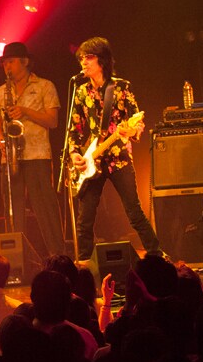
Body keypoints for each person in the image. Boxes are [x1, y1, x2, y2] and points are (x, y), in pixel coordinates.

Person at [67, 37, 161, 260]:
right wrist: (75, 154)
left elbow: (137, 121)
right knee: (85, 220)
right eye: (81, 57)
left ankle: (157, 257)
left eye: (88, 57)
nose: (83, 61)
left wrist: (131, 131)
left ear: (102, 60)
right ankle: (83, 266)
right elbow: (73, 131)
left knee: (134, 212)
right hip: (92, 161)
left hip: (119, 159)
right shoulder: (80, 92)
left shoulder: (121, 88)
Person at [0, 41, 67, 258]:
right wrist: (3, 144)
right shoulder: (0, 92)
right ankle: (15, 258)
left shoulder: (45, 86)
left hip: (38, 155)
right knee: (13, 210)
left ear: (25, 62)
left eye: (11, 62)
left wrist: (24, 111)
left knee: (46, 207)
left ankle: (57, 254)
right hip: (11, 157)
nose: (7, 67)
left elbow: (53, 121)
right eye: (5, 63)